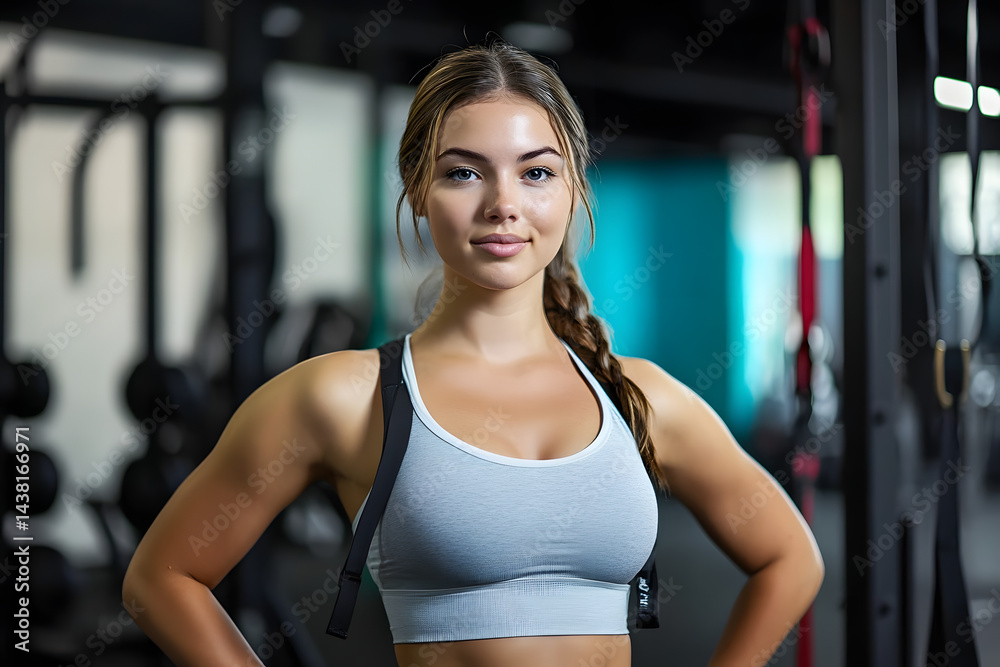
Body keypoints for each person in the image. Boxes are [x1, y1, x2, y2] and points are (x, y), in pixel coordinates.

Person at [122, 38, 824, 667]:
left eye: (536, 173)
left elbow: (790, 557)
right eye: (463, 173)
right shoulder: (343, 397)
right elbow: (163, 577)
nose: (503, 204)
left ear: (574, 189)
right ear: (417, 192)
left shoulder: (639, 397)